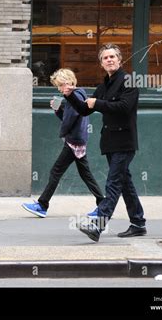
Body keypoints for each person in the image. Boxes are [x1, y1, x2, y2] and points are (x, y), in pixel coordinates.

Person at [63, 43, 147, 242]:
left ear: (119, 59)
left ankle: (98, 225)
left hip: (125, 141)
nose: (109, 60)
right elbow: (85, 110)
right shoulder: (104, 86)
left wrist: (97, 103)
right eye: (105, 58)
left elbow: (125, 107)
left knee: (113, 183)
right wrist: (71, 95)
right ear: (101, 63)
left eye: (112, 57)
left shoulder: (129, 81)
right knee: (125, 183)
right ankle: (138, 223)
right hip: (109, 142)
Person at [22, 68, 104, 218]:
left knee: (56, 171)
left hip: (73, 141)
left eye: (60, 85)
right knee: (85, 174)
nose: (59, 89)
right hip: (78, 140)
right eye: (58, 86)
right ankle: (103, 204)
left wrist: (63, 130)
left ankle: (42, 205)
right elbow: (70, 117)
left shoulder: (75, 96)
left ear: (68, 82)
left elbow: (70, 120)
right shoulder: (79, 95)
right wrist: (59, 110)